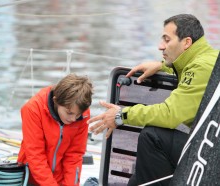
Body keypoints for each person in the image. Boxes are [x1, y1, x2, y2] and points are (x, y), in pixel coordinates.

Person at [88, 14, 219, 186]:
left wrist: (121, 115)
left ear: (186, 42)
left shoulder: (201, 67)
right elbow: (189, 70)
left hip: (213, 157)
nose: (160, 46)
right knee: (141, 174)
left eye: (167, 40)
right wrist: (162, 65)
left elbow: (170, 114)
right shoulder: (208, 59)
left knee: (153, 137)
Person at [17, 73, 93, 186]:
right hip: (31, 178)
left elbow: (74, 155)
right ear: (56, 101)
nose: (73, 119)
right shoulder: (33, 109)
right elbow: (36, 155)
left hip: (60, 179)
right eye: (69, 113)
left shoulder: (82, 114)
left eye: (77, 115)